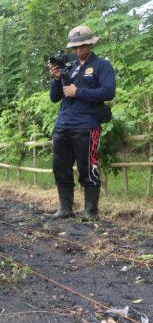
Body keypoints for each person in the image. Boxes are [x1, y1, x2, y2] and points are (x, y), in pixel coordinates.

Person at [48, 25, 116, 221]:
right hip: (63, 124)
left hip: (87, 124)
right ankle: (65, 208)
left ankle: (90, 212)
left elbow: (108, 92)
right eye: (75, 47)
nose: (78, 50)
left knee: (88, 168)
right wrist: (56, 79)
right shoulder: (68, 66)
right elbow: (55, 97)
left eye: (82, 46)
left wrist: (78, 92)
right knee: (60, 167)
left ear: (90, 44)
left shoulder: (102, 65)